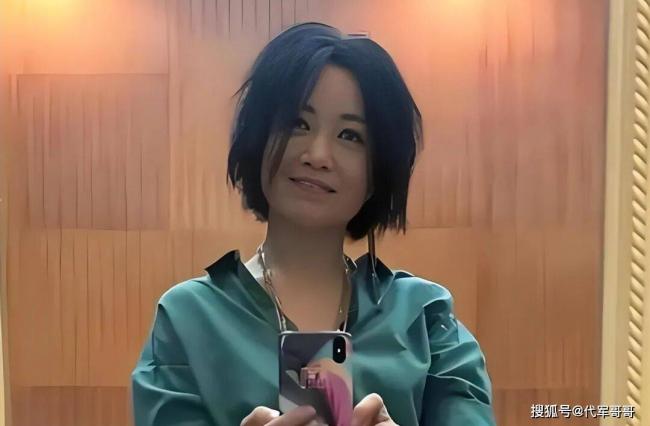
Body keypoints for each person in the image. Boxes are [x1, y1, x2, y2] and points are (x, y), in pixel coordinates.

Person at [131, 22, 496, 426]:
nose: (318, 155)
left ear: (379, 171)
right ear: (259, 137)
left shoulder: (424, 317)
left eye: (350, 135)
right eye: (298, 124)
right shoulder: (189, 317)